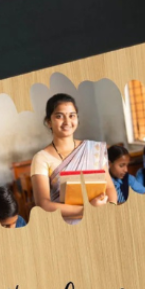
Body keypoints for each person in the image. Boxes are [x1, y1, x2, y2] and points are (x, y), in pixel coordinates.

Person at [30, 94, 116, 224]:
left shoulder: (94, 149)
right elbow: (43, 204)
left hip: (101, 220)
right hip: (65, 226)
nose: (67, 121)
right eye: (59, 116)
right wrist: (88, 210)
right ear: (49, 122)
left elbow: (109, 187)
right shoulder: (41, 158)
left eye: (72, 115)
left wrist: (110, 211)